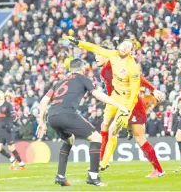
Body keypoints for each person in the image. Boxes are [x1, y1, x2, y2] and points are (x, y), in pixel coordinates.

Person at [37, 58, 129, 187]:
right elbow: (98, 94)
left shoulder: (59, 81)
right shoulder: (82, 78)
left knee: (69, 140)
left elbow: (43, 101)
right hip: (67, 114)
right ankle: (93, 176)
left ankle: (60, 176)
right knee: (96, 138)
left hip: (52, 116)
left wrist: (42, 122)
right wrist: (118, 105)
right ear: (82, 69)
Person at [93, 50, 165, 177]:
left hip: (134, 106)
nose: (96, 58)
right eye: (95, 56)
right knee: (108, 127)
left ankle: (158, 170)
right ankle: (103, 160)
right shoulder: (104, 71)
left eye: (99, 55)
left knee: (138, 138)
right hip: (123, 106)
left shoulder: (115, 66)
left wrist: (153, 89)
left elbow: (138, 77)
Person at [0, 90, 25, 170]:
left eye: (1, 94)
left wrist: (10, 124)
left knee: (11, 147)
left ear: (3, 95)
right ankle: (12, 159)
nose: (0, 95)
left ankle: (21, 164)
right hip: (0, 131)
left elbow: (13, 116)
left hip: (8, 129)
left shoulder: (8, 105)